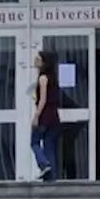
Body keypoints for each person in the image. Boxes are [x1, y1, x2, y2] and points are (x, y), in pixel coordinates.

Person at [31, 50, 61, 182]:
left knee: (34, 142)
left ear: (44, 62)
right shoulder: (53, 78)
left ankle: (44, 164)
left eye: (38, 58)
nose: (35, 60)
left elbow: (43, 99)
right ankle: (50, 177)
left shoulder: (43, 78)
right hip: (54, 116)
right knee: (49, 146)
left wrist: (36, 115)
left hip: (44, 115)